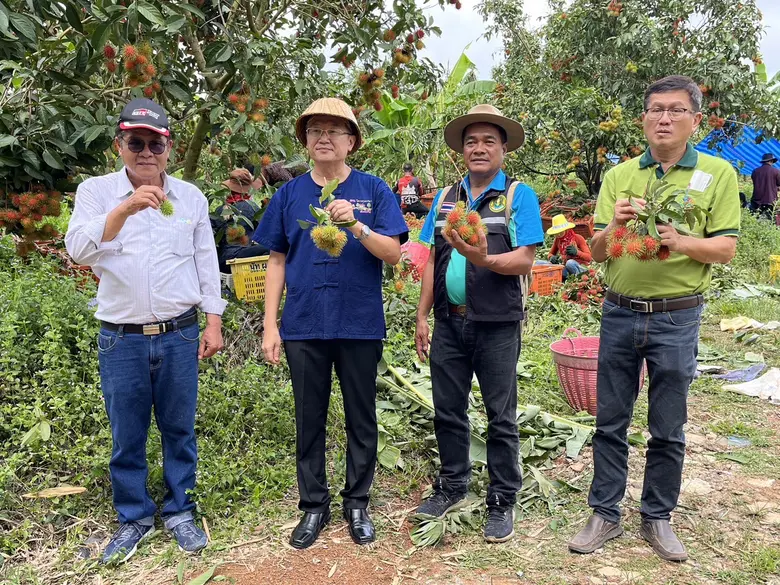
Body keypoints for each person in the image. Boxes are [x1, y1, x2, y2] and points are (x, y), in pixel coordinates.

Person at [568, 76, 739, 562]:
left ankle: (657, 517)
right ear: (643, 119)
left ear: (695, 120)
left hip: (677, 318)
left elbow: (725, 248)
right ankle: (603, 511)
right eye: (656, 109)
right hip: (619, 311)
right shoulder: (620, 176)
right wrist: (618, 224)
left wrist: (679, 241)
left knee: (668, 425)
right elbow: (597, 250)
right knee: (610, 419)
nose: (665, 118)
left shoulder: (718, 173)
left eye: (676, 110)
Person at [65, 98, 226, 563]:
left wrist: (213, 321)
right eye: (136, 142)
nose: (146, 152)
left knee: (180, 429)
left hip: (179, 334)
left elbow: (205, 263)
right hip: (121, 337)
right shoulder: (96, 192)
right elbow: (78, 250)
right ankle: (133, 517)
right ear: (120, 145)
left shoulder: (191, 198)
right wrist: (125, 209)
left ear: (168, 148)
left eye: (155, 143)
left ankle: (180, 511)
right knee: (127, 434)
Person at [254, 97, 408, 550]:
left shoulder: (373, 190)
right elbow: (277, 260)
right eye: (315, 130)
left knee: (362, 416)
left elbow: (394, 253)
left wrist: (357, 224)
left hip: (359, 322)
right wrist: (270, 324)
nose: (323, 137)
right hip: (303, 323)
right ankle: (313, 507)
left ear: (352, 142)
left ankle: (357, 502)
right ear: (305, 141)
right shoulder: (289, 194)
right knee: (309, 417)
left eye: (334, 131)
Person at [414, 104, 543, 543]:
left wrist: (484, 258)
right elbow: (433, 256)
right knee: (448, 410)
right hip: (449, 322)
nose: (480, 148)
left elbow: (525, 258)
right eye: (472, 141)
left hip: (497, 324)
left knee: (500, 415)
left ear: (504, 149)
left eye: (489, 140)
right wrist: (421, 314)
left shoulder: (517, 196)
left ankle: (502, 497)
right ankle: (452, 485)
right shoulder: (447, 197)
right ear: (462, 150)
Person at [211, 168, 269, 273]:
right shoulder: (252, 208)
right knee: (274, 248)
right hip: (240, 259)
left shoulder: (220, 210)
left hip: (222, 262)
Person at [546, 214, 592, 279]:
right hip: (566, 269)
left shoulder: (578, 238)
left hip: (579, 267)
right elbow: (550, 254)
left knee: (570, 263)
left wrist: (577, 252)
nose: (559, 235)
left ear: (566, 229)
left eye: (561, 232)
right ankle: (568, 278)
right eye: (556, 233)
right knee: (540, 263)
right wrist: (551, 257)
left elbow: (589, 257)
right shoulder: (557, 240)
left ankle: (581, 278)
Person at [750, 152, 780, 221]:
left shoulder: (755, 171)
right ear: (771, 161)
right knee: (771, 220)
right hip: (770, 200)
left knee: (754, 220)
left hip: (756, 200)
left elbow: (755, 182)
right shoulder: (776, 171)